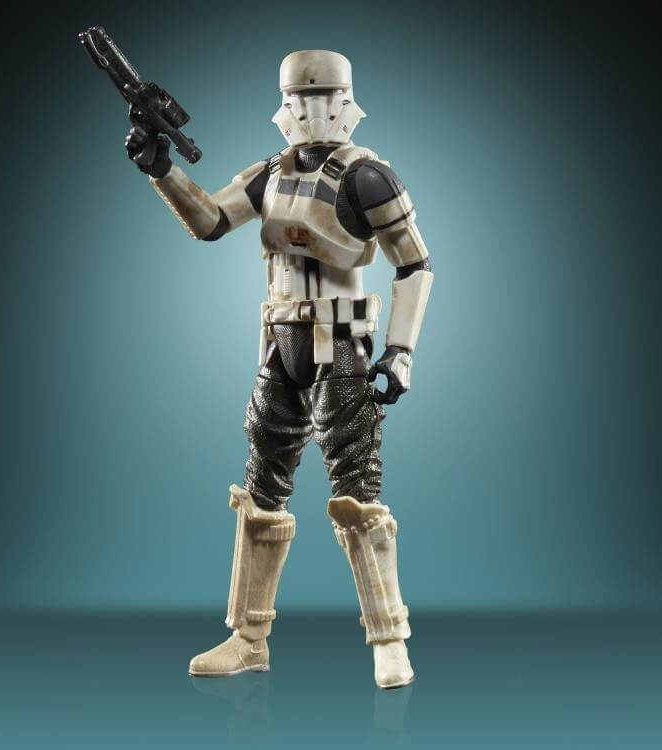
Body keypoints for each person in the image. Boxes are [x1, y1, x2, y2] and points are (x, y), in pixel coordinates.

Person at [125, 50, 433, 689]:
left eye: (322, 97)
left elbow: (414, 264)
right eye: (300, 97)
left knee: (357, 492)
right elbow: (210, 221)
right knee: (261, 488)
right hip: (279, 344)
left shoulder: (368, 177)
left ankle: (389, 640)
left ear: (345, 101)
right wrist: (162, 170)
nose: (310, 109)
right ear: (285, 103)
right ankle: (248, 638)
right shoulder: (270, 173)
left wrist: (400, 351)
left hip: (339, 344)